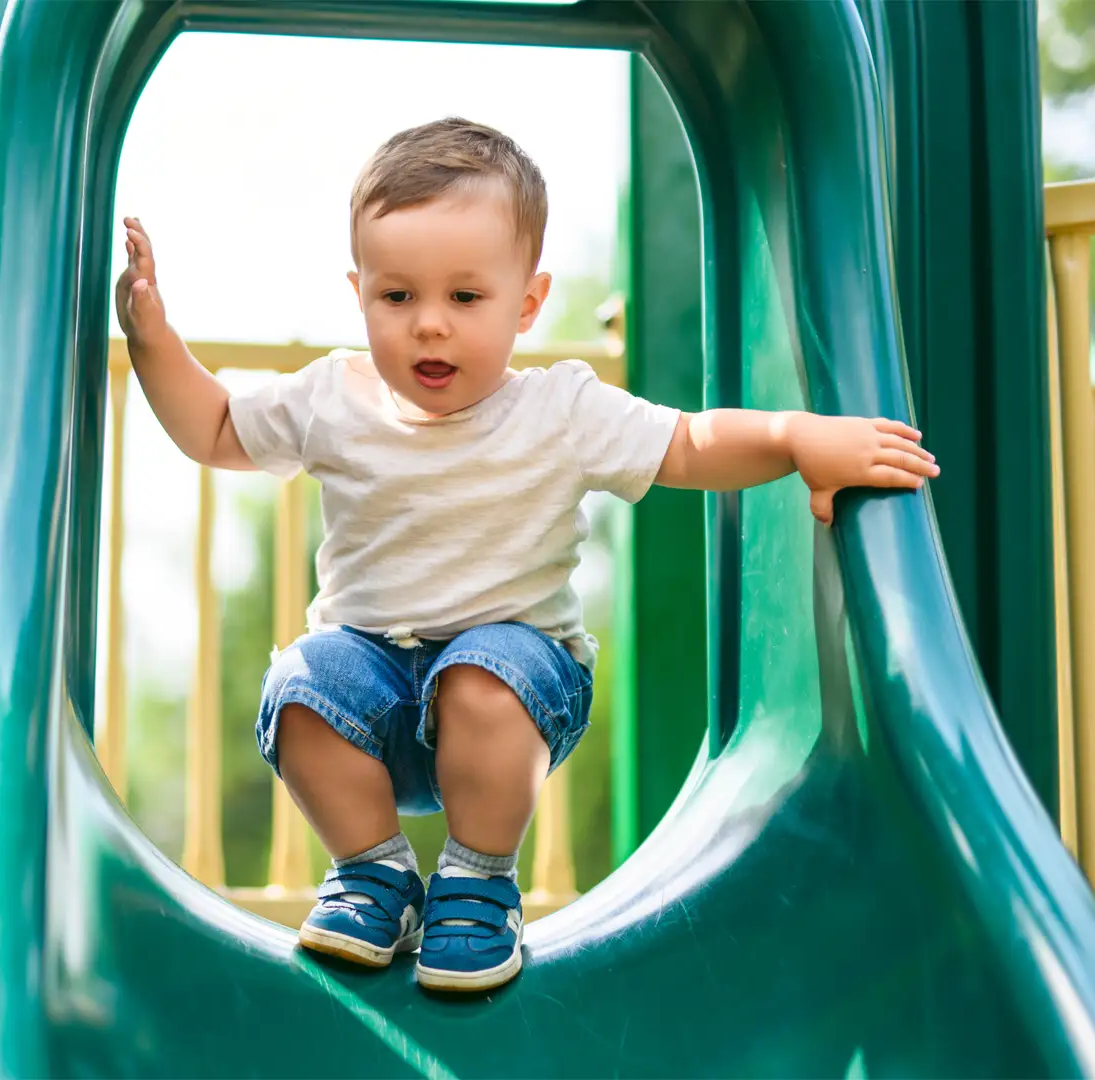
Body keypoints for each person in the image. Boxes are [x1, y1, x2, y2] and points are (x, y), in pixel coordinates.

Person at [112, 116, 937, 993]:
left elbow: (689, 445)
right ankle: (374, 875)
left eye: (466, 298)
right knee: (301, 685)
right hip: (373, 694)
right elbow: (214, 428)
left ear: (528, 303)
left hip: (515, 691)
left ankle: (477, 882)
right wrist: (154, 338)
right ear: (360, 295)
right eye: (398, 297)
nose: (430, 325)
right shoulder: (331, 398)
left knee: (483, 672)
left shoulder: (560, 410)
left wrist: (796, 437)